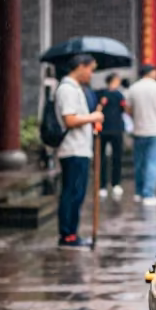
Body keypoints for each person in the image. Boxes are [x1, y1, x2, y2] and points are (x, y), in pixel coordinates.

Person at [54, 53, 103, 247]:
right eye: (91, 69)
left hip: (80, 148)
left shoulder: (76, 89)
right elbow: (70, 119)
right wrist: (93, 117)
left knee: (77, 193)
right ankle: (67, 235)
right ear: (80, 67)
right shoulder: (67, 89)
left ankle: (71, 232)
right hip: (73, 149)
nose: (91, 74)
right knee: (72, 193)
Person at [127, 63, 156, 205]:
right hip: (155, 130)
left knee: (139, 163)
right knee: (152, 163)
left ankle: (139, 192)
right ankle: (149, 194)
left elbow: (128, 110)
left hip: (139, 130)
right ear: (151, 73)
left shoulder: (133, 88)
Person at [98, 72, 126, 199]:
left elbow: (123, 109)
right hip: (104, 129)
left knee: (117, 157)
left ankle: (116, 183)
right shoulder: (102, 94)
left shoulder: (120, 95)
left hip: (117, 129)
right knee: (101, 158)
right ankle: (102, 184)